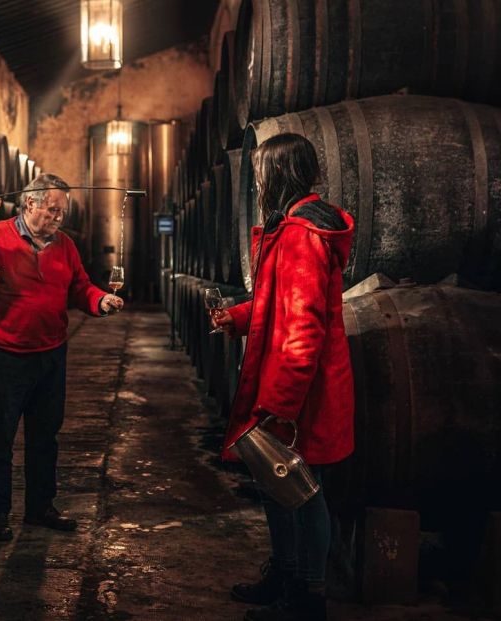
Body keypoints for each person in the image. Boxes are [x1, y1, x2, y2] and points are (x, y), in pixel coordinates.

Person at [211, 133, 354, 621]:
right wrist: (236, 317)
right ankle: (286, 571)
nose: (256, 182)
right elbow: (278, 304)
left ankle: (308, 594)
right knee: (279, 484)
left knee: (303, 490)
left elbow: (303, 327)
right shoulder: (293, 228)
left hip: (299, 391)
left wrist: (282, 404)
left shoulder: (301, 235)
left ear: (278, 175)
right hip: (293, 385)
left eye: (261, 174)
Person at [0, 173, 124, 542]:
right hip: (5, 352)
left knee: (45, 436)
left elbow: (80, 286)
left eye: (63, 212)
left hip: (51, 353)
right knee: (0, 438)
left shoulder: (65, 245)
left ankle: (40, 507)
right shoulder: (0, 235)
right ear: (30, 204)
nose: (59, 218)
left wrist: (98, 300)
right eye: (54, 210)